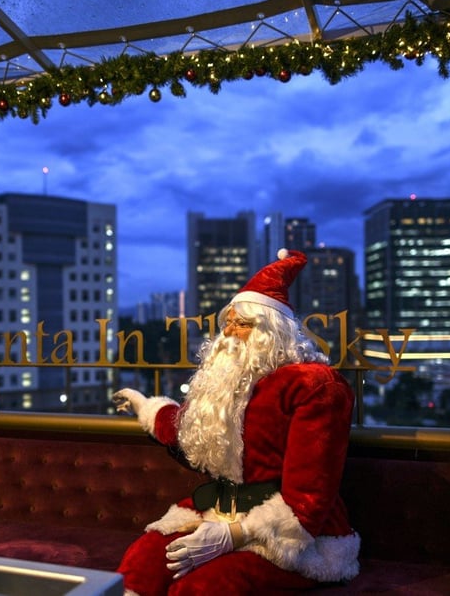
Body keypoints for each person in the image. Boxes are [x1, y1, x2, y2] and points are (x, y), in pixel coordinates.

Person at [112, 249, 359, 596]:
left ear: (272, 331)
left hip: (293, 538)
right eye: (227, 321)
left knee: (202, 588)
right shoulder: (229, 382)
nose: (228, 332)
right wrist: (146, 407)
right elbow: (184, 428)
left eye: (241, 323)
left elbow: (309, 500)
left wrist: (234, 536)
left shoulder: (312, 386)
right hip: (217, 513)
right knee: (142, 563)